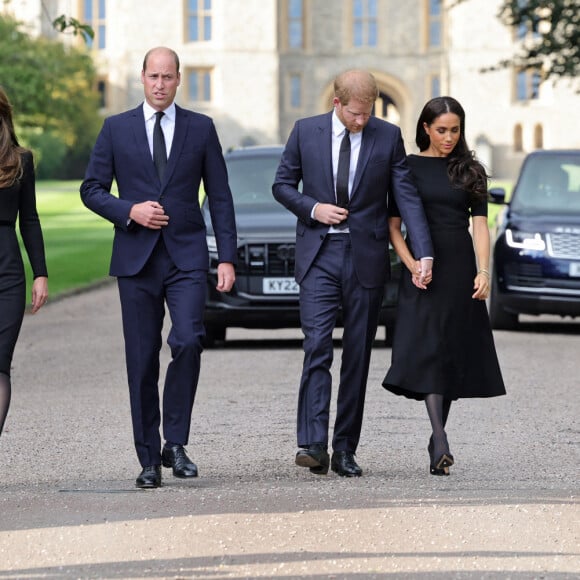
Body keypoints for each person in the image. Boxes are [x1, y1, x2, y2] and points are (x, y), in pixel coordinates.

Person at [80, 47, 237, 489]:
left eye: (168, 77)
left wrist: (226, 256)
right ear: (142, 78)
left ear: (179, 79)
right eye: (154, 76)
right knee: (142, 359)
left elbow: (220, 197)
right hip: (136, 260)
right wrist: (130, 210)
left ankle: (176, 443)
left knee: (188, 341)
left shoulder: (201, 128)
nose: (160, 84)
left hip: (186, 256)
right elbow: (91, 189)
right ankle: (149, 458)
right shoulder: (116, 129)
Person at [273, 70, 433, 477]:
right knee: (317, 347)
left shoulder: (387, 136)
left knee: (358, 355)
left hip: (366, 256)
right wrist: (313, 208)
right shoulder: (305, 132)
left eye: (368, 114)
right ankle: (312, 444)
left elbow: (406, 195)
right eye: (356, 114)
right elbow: (282, 184)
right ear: (337, 103)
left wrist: (423, 251)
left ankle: (345, 448)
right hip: (319, 253)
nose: (362, 121)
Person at [382, 96, 506, 476]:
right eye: (441, 130)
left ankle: (438, 438)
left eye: (455, 130)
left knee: (450, 349)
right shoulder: (407, 168)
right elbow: (393, 227)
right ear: (425, 128)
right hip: (422, 269)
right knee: (430, 349)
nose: (449, 137)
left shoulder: (470, 170)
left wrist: (483, 272)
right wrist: (412, 265)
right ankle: (440, 438)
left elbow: (481, 226)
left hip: (459, 267)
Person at [0, 86, 49, 439]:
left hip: (8, 274)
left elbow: (29, 220)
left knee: (0, 364)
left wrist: (40, 273)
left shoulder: (20, 160)